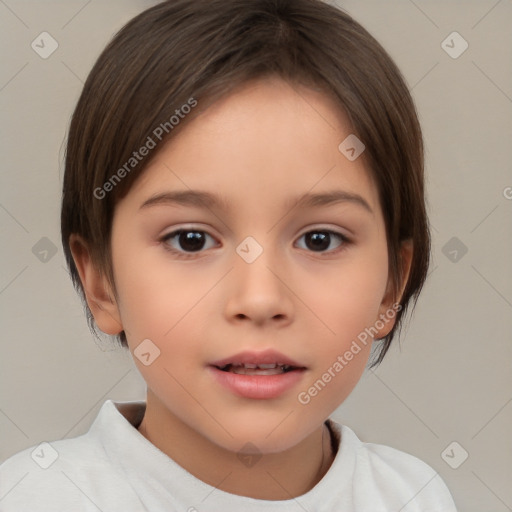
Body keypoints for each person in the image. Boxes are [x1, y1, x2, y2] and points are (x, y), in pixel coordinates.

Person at [0, 0, 458, 510]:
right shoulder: (34, 497)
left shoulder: (412, 496)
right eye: (190, 239)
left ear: (392, 285)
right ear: (101, 281)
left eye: (320, 239)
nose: (259, 299)